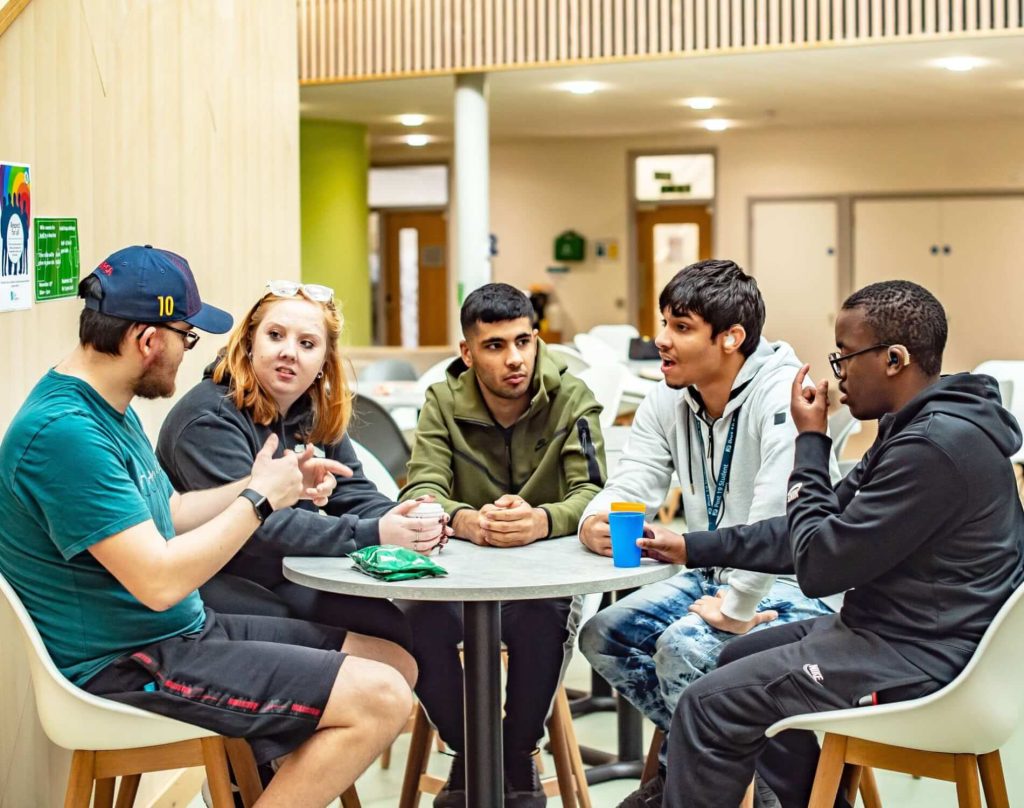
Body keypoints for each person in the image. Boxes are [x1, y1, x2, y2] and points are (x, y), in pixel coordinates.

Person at [0, 246, 414, 806]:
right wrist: (261, 502)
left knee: (392, 660)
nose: (190, 353)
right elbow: (160, 582)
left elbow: (167, 513)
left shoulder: (104, 406)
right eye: (187, 337)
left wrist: (269, 481)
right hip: (126, 663)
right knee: (382, 698)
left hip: (179, 632)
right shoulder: (65, 434)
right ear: (149, 341)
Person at [640, 280, 1024, 808]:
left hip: (927, 662)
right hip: (903, 634)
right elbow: (809, 533)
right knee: (738, 658)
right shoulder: (913, 430)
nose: (837, 375)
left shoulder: (933, 448)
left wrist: (812, 443)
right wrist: (691, 546)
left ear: (894, 358)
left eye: (844, 358)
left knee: (710, 705)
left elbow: (819, 564)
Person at [576, 260, 838, 806]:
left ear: (731, 338)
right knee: (605, 636)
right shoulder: (667, 398)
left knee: (683, 649)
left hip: (800, 587)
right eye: (664, 323)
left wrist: (739, 604)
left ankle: (699, 787)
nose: (660, 339)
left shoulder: (780, 398)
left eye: (681, 326)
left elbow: (776, 513)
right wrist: (595, 520)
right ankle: (721, 770)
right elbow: (634, 480)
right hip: (712, 575)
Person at [399, 283, 606, 808]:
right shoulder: (442, 401)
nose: (514, 359)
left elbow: (596, 493)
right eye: (494, 346)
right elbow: (421, 488)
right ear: (467, 354)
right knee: (410, 622)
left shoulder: (571, 397)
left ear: (537, 339)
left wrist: (542, 520)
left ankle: (513, 756)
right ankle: (475, 755)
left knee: (545, 618)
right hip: (456, 583)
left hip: (543, 582)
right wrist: (463, 520)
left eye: (523, 341)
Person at [157, 280, 450, 651]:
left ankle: (466, 713)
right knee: (383, 634)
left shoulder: (309, 408)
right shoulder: (209, 417)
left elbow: (352, 490)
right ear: (249, 342)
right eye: (275, 336)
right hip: (216, 583)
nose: (289, 353)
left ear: (325, 361)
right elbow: (260, 525)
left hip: (281, 570)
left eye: (307, 344)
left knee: (425, 621)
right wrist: (375, 532)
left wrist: (405, 517)